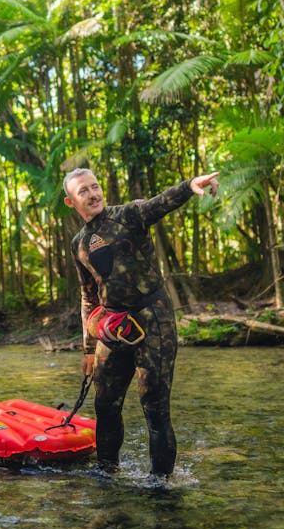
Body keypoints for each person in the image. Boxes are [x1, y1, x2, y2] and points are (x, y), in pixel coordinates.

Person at [63, 167, 219, 476]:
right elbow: (88, 296)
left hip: (153, 320)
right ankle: (107, 474)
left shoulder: (128, 215)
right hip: (112, 327)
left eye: (95, 187)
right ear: (71, 202)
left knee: (155, 408)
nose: (93, 194)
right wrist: (87, 350)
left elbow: (161, 202)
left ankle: (160, 486)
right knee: (105, 406)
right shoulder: (78, 243)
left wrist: (189, 185)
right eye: (84, 191)